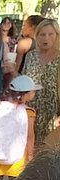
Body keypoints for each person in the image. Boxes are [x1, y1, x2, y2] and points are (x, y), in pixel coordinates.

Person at [19, 16, 60, 149]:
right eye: (42, 34)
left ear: (57, 36)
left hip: (52, 115)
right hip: (30, 113)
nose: (46, 38)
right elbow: (23, 82)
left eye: (50, 34)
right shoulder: (31, 56)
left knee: (48, 155)